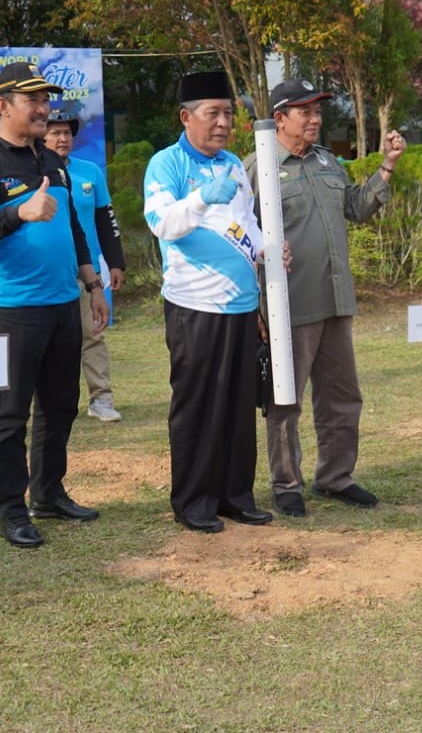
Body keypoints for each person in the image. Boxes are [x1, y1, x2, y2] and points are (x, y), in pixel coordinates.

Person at [0, 63, 108, 549]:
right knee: (9, 415)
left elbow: (74, 228)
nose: (45, 108)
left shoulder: (52, 160)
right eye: (33, 100)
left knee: (61, 406)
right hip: (14, 309)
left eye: (46, 99)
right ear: (4, 106)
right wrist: (19, 212)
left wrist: (91, 280)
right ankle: (11, 510)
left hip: (65, 303)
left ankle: (48, 492)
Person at [242, 79, 402, 516]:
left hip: (334, 299)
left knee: (342, 395)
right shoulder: (256, 168)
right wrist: (258, 305)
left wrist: (387, 166)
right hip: (287, 304)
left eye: (318, 111)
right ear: (279, 118)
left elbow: (357, 207)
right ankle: (286, 484)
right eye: (305, 111)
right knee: (284, 398)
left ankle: (335, 477)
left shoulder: (329, 162)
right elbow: (240, 237)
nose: (315, 119)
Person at [144, 70, 274, 532]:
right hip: (193, 308)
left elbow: (246, 223)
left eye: (228, 113)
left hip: (240, 307)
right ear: (186, 117)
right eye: (213, 113)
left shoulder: (235, 164)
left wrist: (265, 250)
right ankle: (193, 500)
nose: (223, 123)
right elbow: (163, 223)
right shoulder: (166, 164)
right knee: (199, 405)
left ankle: (235, 495)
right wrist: (200, 198)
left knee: (240, 407)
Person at [44, 107, 127, 423]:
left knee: (92, 335)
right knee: (51, 341)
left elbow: (106, 220)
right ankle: (54, 403)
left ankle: (101, 399)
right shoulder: (33, 172)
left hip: (87, 272)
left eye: (67, 132)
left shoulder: (90, 172)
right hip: (49, 272)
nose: (62, 138)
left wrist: (115, 262)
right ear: (43, 135)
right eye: (55, 132)